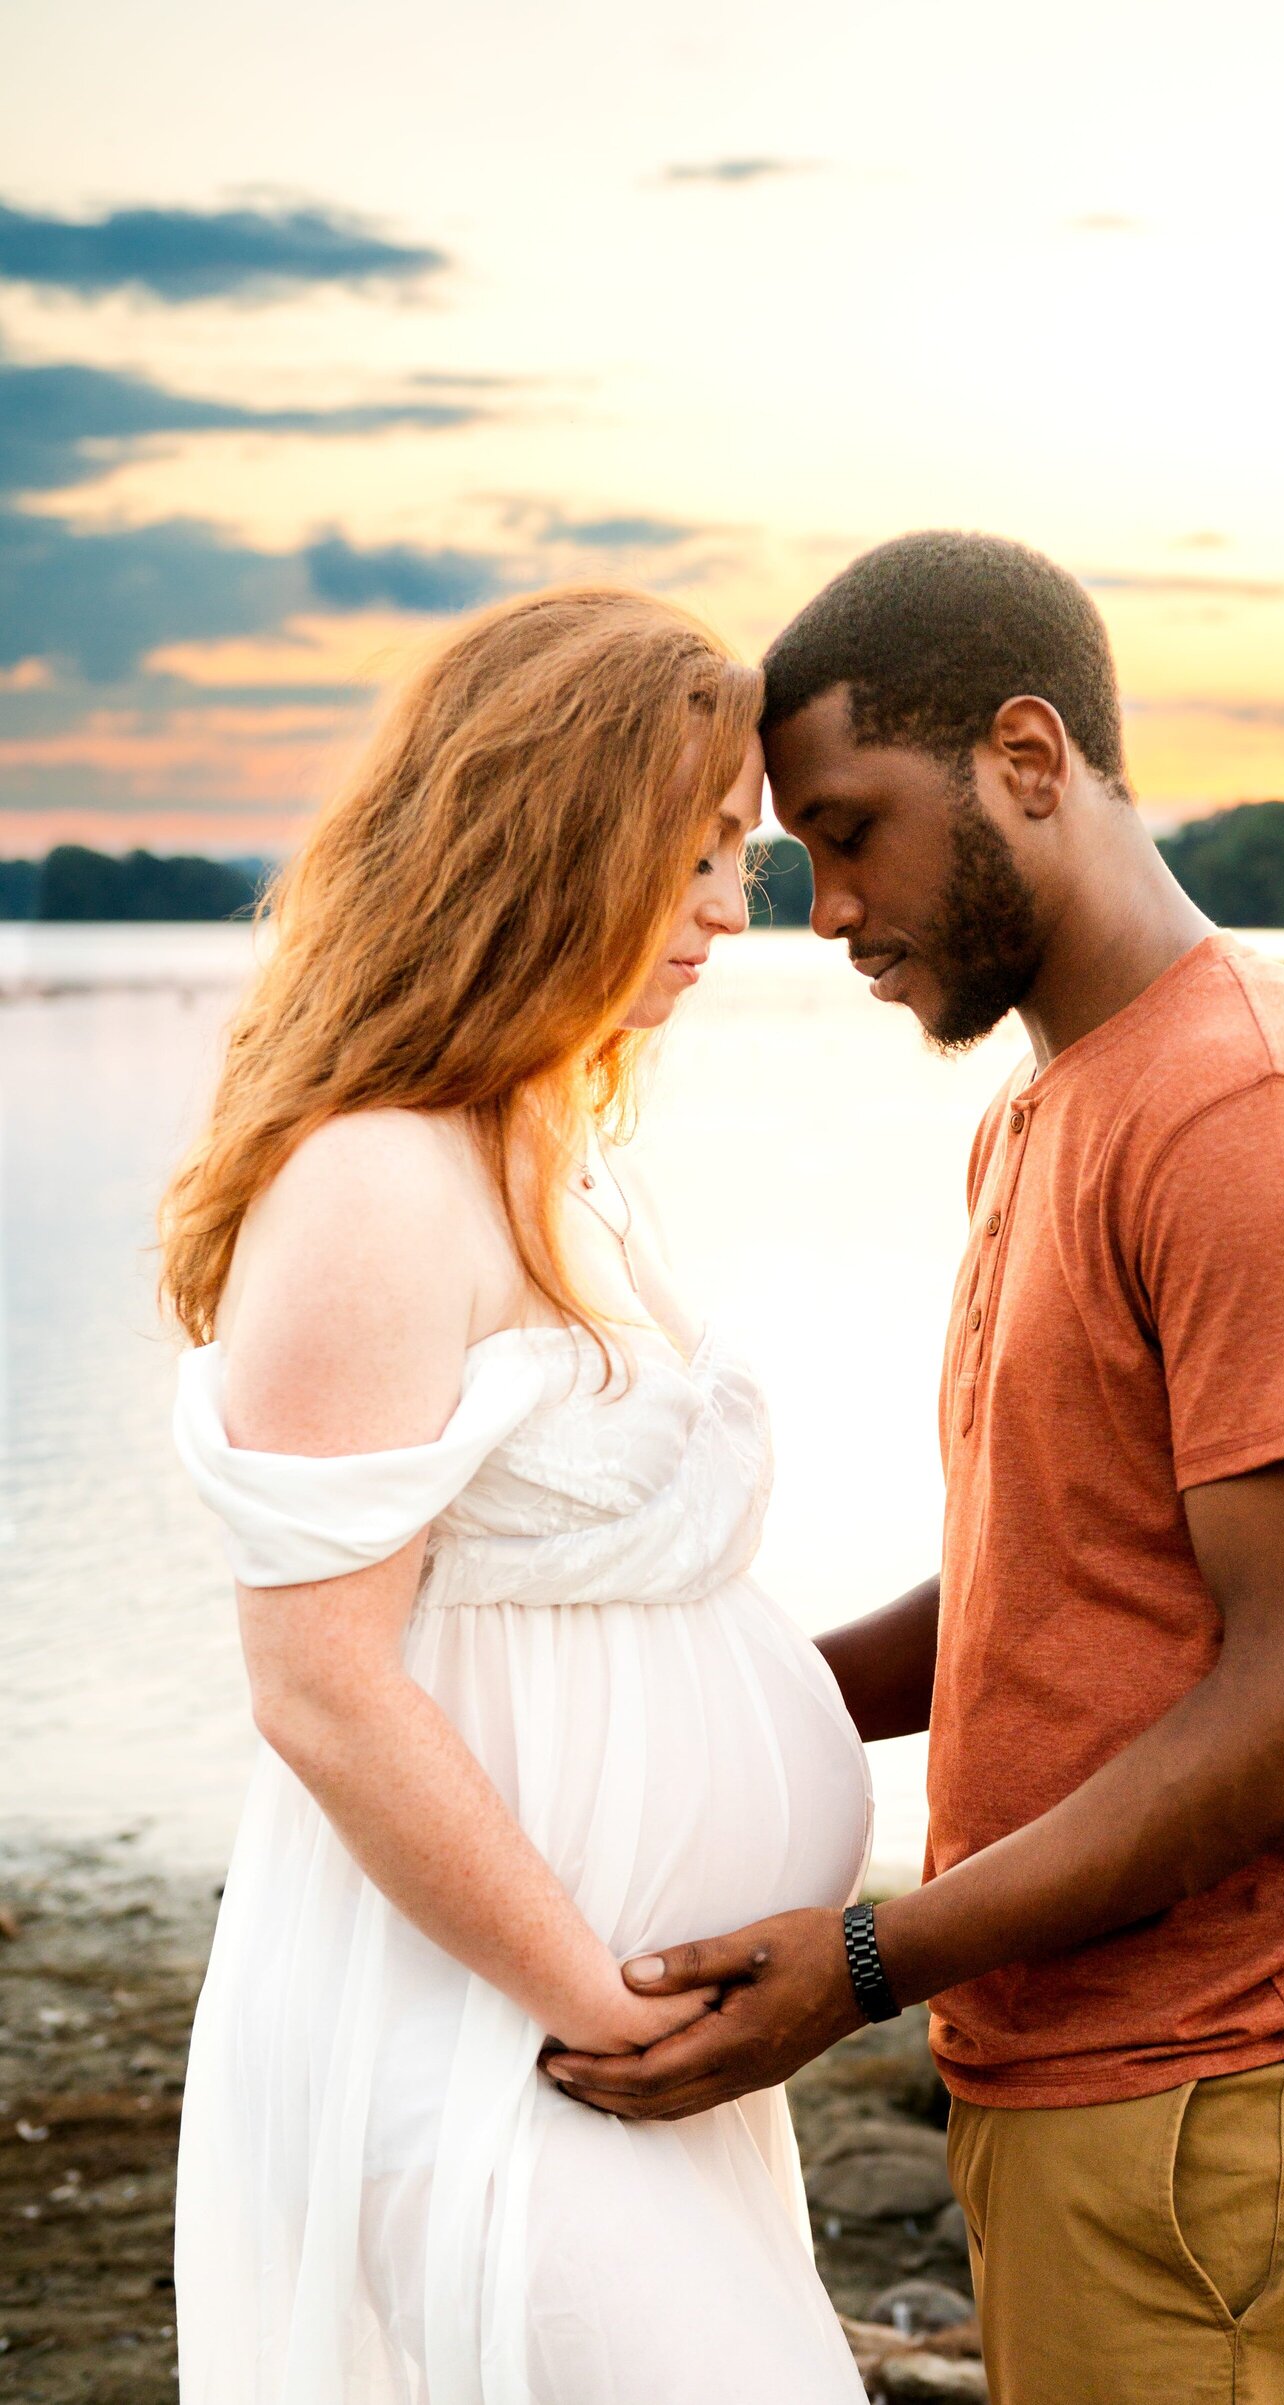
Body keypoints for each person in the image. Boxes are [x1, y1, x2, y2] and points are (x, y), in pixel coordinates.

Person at [546, 533, 1284, 2405]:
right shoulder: (1064, 1099)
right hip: (1096, 2063)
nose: (818, 909)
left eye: (850, 830)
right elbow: (1074, 1574)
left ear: (1029, 762)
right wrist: (703, 1711)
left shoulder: (1252, 1120)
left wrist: (868, 1958)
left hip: (1223, 2080)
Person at [161, 587, 872, 2405]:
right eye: (700, 854)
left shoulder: (553, 1144)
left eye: (746, 857)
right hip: (485, 2032)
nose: (737, 907)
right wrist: (600, 2000)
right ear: (556, 837)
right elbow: (320, 1677)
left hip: (605, 2043)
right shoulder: (375, 1180)